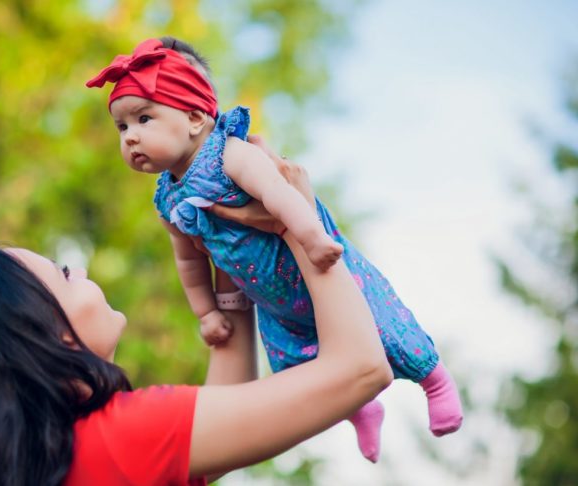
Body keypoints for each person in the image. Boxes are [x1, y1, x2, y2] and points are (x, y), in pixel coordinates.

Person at [0, 147, 393, 485]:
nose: (84, 267)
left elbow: (227, 410)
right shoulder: (113, 438)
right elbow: (360, 369)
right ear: (50, 338)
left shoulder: (65, 459)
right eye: (66, 273)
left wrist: (229, 252)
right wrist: (298, 222)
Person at [85, 36, 463, 462]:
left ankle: (435, 380)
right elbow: (189, 259)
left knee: (384, 327)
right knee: (294, 363)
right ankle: (358, 409)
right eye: (122, 127)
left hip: (308, 261)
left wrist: (312, 237)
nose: (131, 137)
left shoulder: (229, 154)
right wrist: (207, 312)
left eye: (143, 119)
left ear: (193, 117)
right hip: (269, 297)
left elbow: (280, 192)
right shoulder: (167, 200)